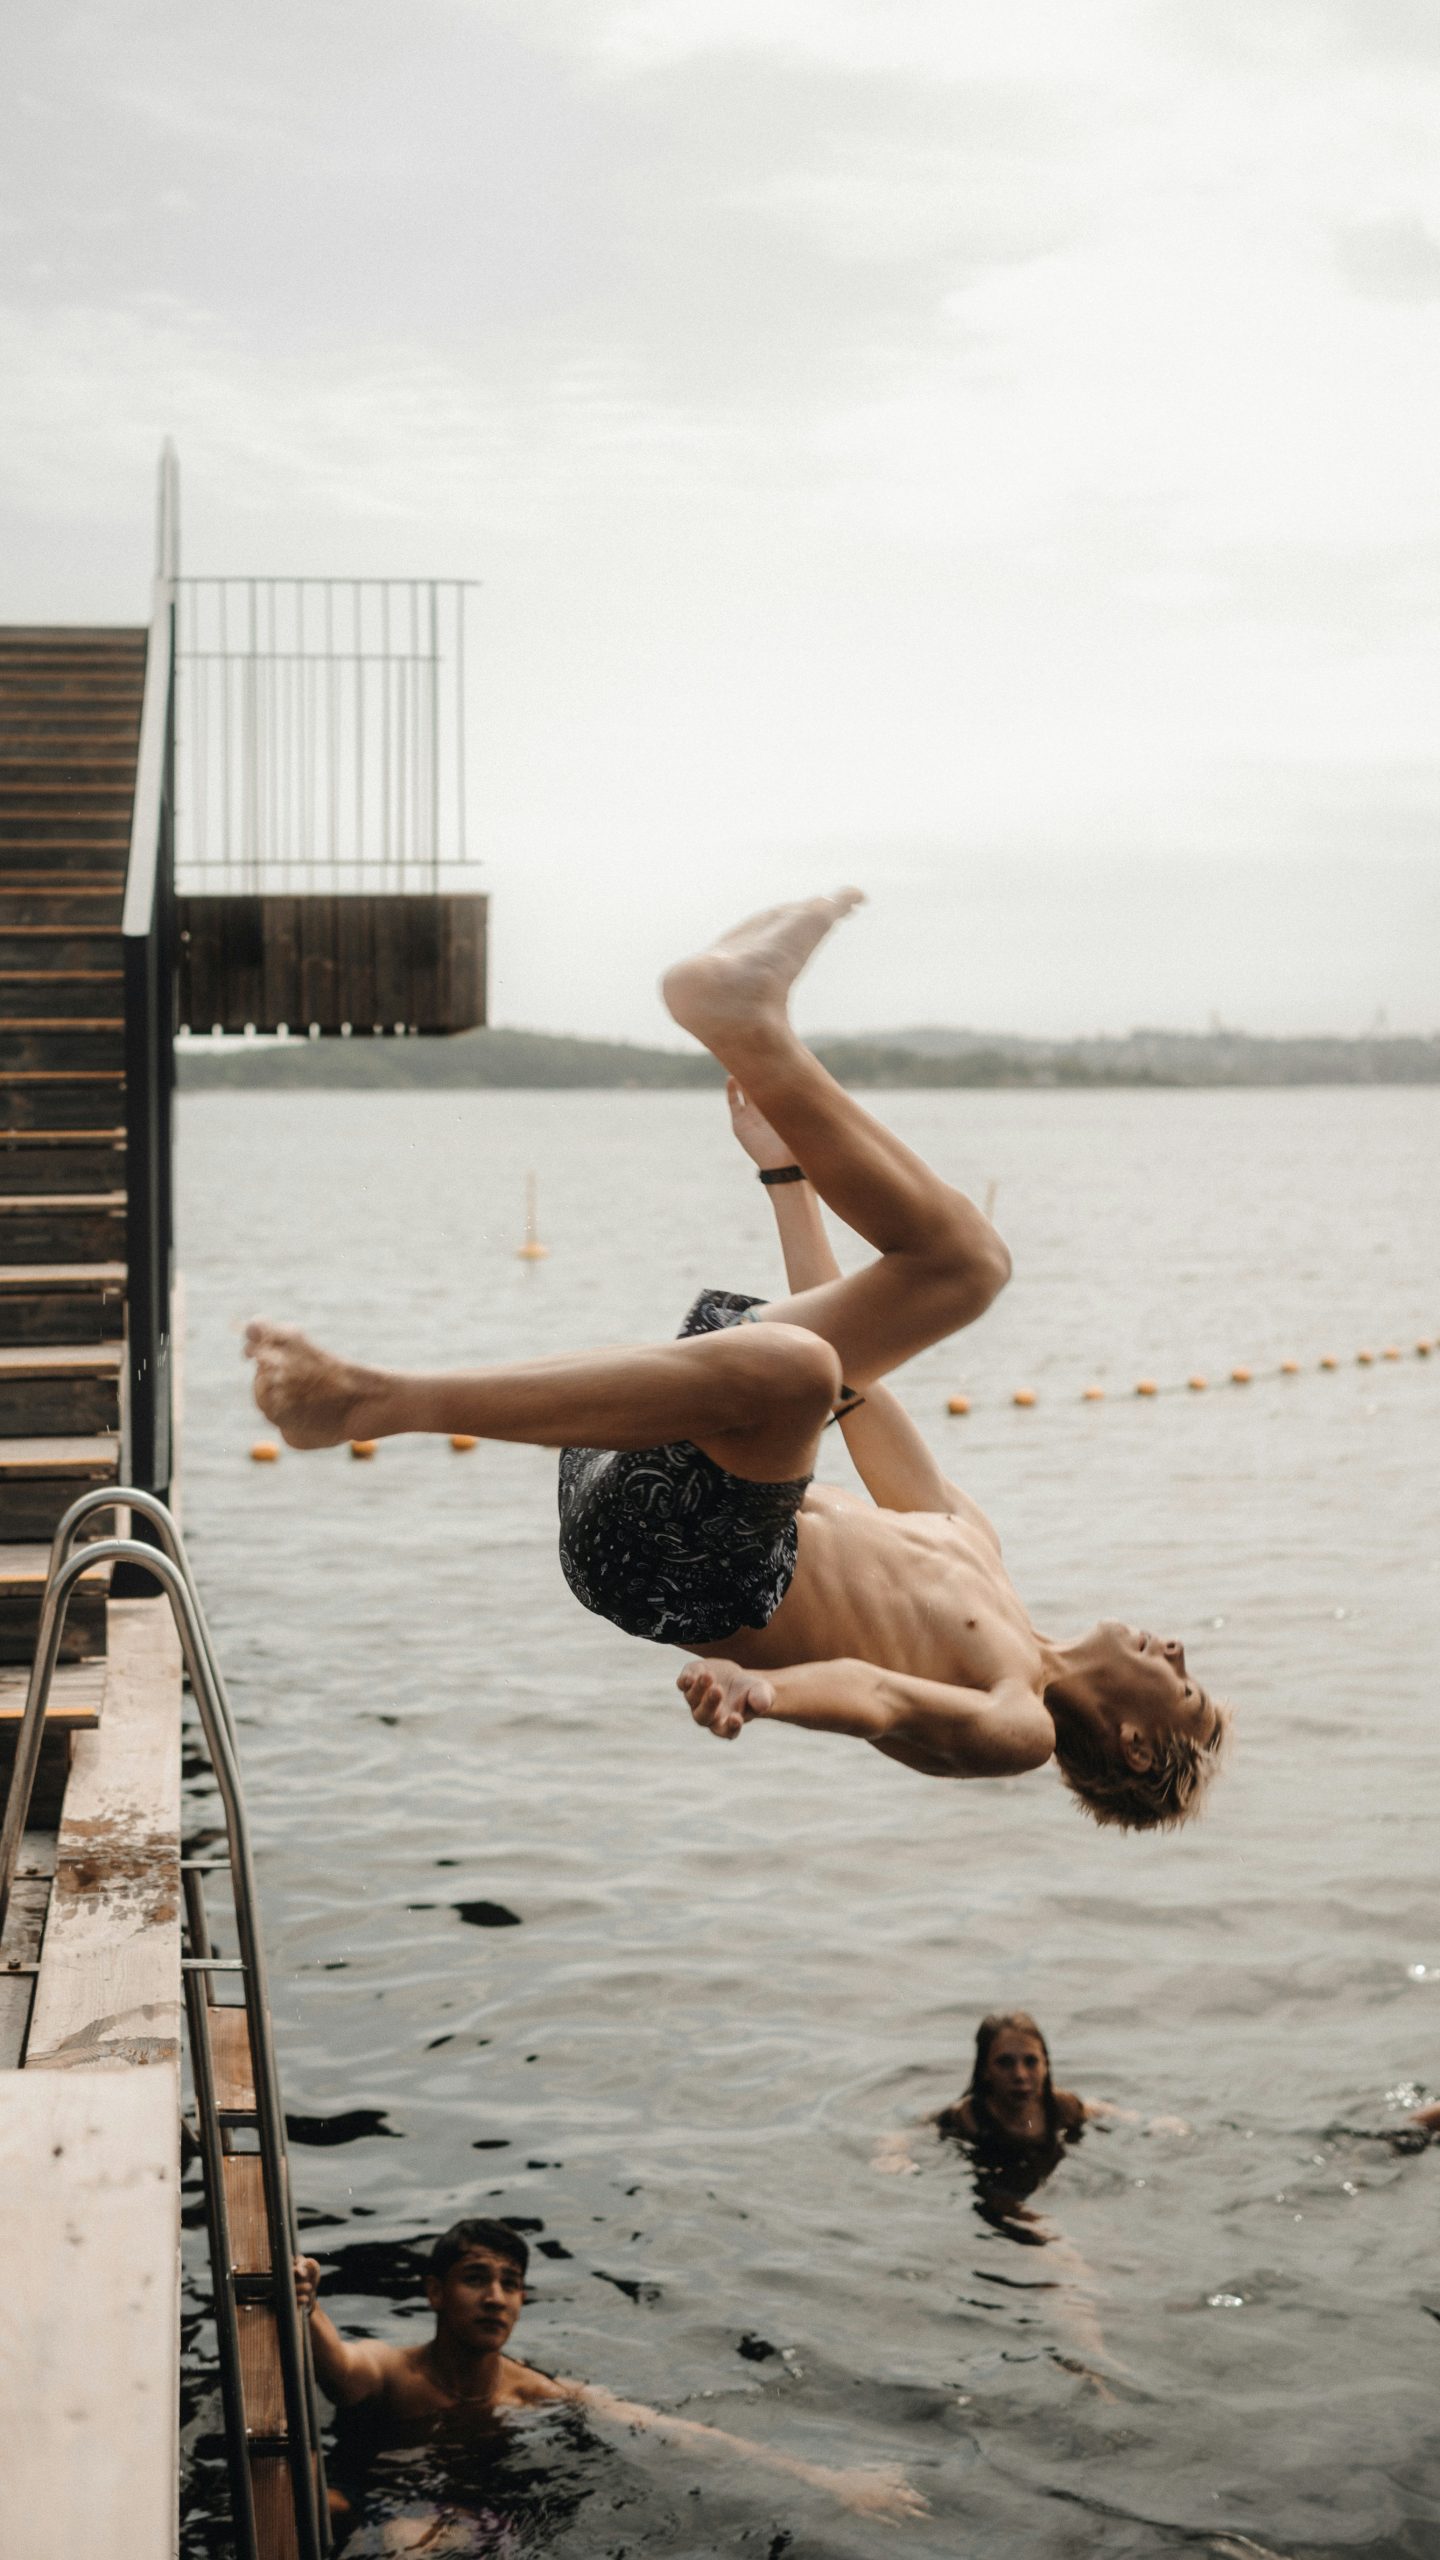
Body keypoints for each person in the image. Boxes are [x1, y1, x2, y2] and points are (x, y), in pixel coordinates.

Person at [247, 892, 1229, 1830]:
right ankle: (744, 1021)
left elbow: (880, 1697)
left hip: (675, 1570)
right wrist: (784, 1176)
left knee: (809, 1367)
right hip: (654, 1449)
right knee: (963, 1267)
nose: (1175, 1647)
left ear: (1139, 1745)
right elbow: (854, 1385)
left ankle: (378, 1400)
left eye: (1181, 1684)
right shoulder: (979, 1546)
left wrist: (765, 1693)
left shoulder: (1017, 1719)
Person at [295, 2216, 924, 2546]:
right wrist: (307, 2303)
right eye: (475, 2279)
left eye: (510, 2284)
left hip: (463, 2518)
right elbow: (342, 2372)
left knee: (406, 2539)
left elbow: (668, 2429)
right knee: (318, 2507)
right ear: (434, 2292)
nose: (495, 2298)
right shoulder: (391, 2369)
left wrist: (824, 2478)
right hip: (369, 2491)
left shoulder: (530, 2392)